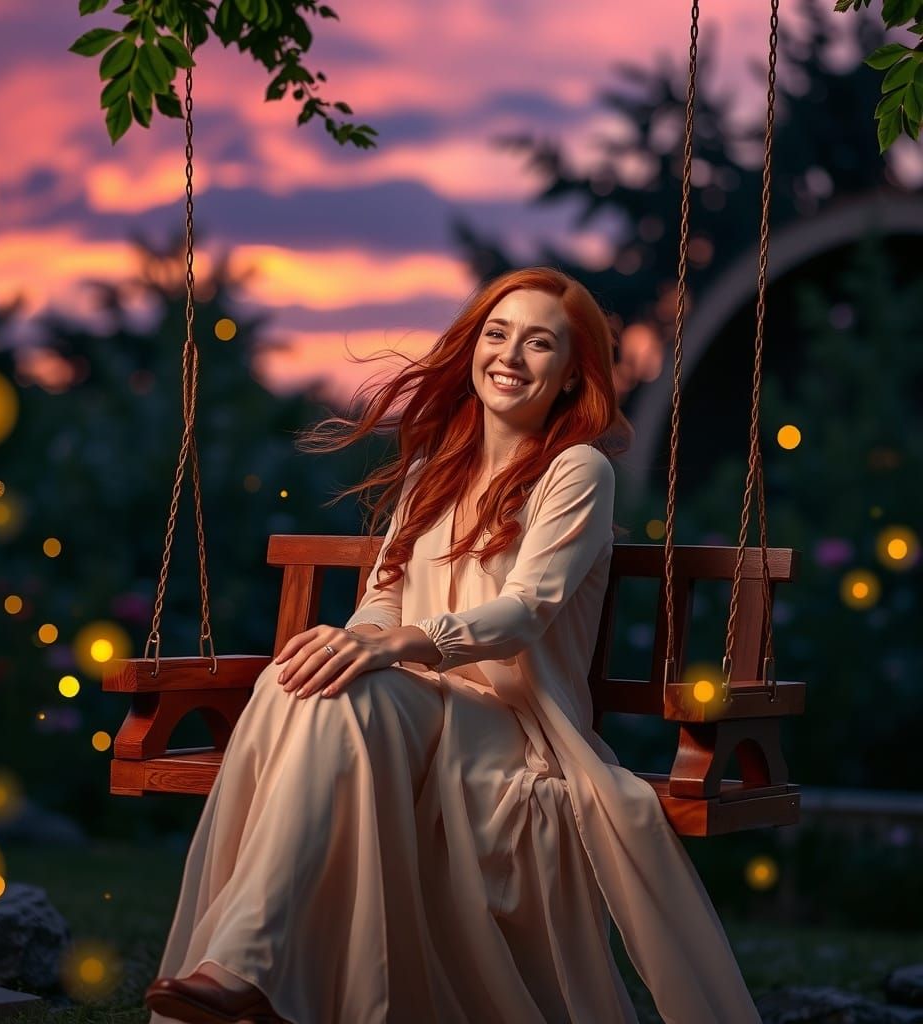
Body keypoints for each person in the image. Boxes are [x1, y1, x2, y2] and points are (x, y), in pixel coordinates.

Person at [144, 267, 763, 1024]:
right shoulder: (432, 471)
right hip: (419, 702)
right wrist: (355, 642)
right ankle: (252, 967)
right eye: (497, 334)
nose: (510, 355)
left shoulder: (577, 472)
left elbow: (525, 611)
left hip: (510, 723)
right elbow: (383, 595)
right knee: (299, 680)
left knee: (343, 699)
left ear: (573, 374)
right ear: (473, 347)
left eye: (539, 343)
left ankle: (255, 968)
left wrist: (404, 644)